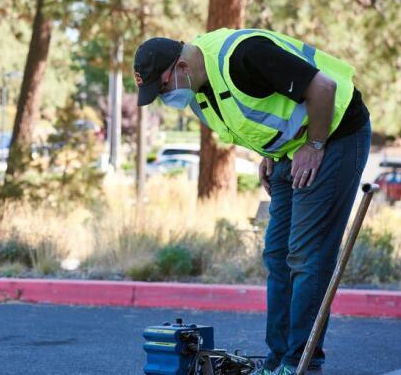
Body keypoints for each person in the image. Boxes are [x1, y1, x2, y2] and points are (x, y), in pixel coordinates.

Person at [133, 29, 371, 375]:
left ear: (181, 66)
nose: (164, 97)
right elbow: (255, 115)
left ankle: (301, 363)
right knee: (277, 255)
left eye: (164, 87)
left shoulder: (244, 55)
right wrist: (269, 153)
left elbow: (324, 88)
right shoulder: (199, 88)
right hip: (292, 150)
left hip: (335, 134)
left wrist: (315, 147)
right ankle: (277, 361)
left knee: (306, 255)